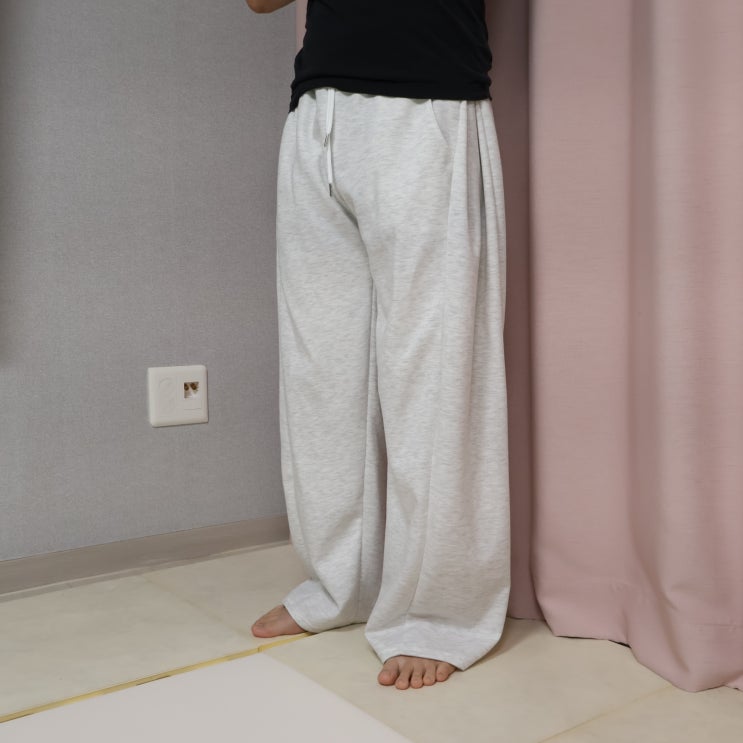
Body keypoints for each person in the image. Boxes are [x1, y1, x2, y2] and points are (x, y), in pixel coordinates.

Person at [246, 0, 510, 691]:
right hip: (318, 110)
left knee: (436, 371)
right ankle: (340, 585)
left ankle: (441, 612)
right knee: (321, 372)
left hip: (425, 104)